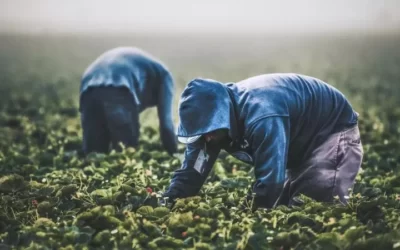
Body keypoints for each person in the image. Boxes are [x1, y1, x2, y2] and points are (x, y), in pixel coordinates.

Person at [163, 73, 363, 209]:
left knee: (318, 204)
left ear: (221, 116)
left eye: (209, 130)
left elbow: (271, 179)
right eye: (200, 133)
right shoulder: (211, 131)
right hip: (298, 139)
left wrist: (253, 214)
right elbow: (192, 171)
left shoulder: (263, 114)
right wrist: (170, 200)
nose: (206, 138)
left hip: (332, 130)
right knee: (289, 206)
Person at [79, 47, 177, 155]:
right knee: (126, 151)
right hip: (119, 85)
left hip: (88, 84)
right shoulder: (166, 77)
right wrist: (173, 152)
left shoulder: (149, 72)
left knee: (94, 153)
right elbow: (166, 125)